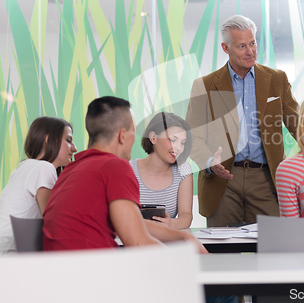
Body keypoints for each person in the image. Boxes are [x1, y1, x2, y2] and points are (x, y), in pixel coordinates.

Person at [43, 96, 205, 253]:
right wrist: (187, 263)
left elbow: (132, 223)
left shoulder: (71, 169)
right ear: (122, 135)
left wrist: (183, 237)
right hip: (93, 270)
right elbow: (138, 242)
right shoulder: (115, 167)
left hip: (63, 268)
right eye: (133, 131)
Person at [186, 15, 299, 227]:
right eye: (241, 46)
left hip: (267, 179)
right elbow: (192, 135)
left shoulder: (277, 79)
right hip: (223, 180)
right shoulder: (206, 85)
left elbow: (298, 125)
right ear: (225, 48)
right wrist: (210, 162)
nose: (250, 51)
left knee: (273, 250)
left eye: (253, 43)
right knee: (224, 254)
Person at [0, 117, 77, 253]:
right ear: (47, 139)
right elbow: (54, 221)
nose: (75, 148)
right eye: (68, 140)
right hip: (13, 255)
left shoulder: (24, 167)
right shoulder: (44, 168)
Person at [130, 112, 193, 230]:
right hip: (131, 242)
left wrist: (171, 224)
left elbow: (186, 216)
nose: (178, 148)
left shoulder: (183, 170)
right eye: (173, 140)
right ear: (153, 138)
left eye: (182, 142)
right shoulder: (129, 170)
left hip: (166, 242)